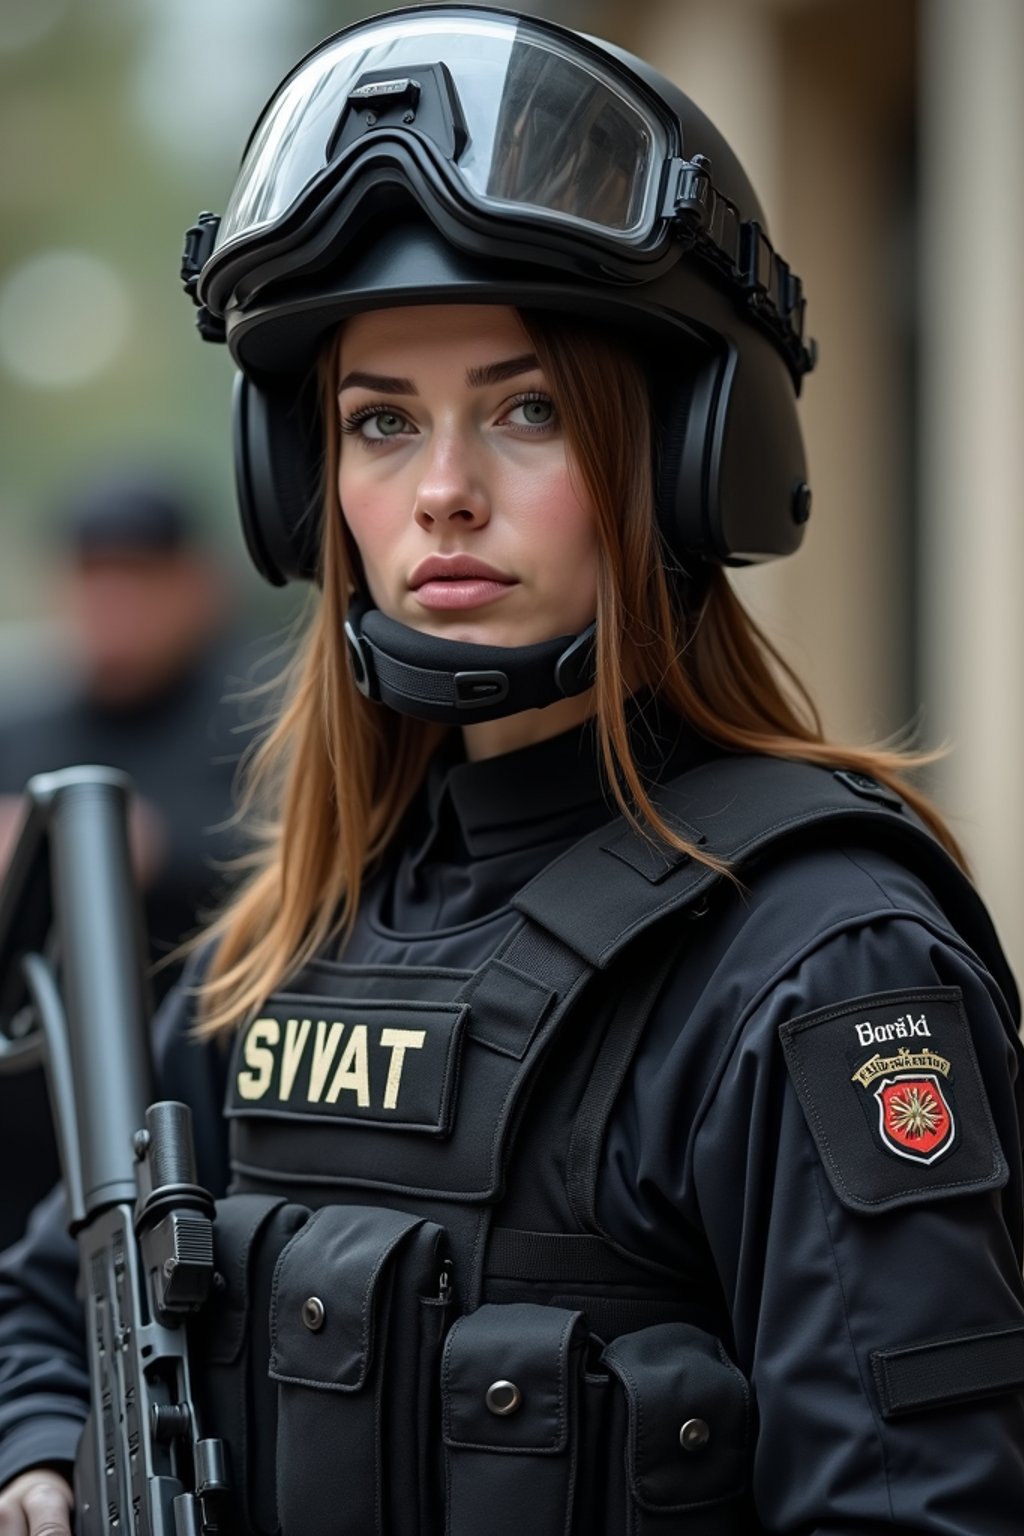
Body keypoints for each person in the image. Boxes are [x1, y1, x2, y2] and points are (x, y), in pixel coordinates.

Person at [1, 7, 1022, 1533]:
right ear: (304, 487)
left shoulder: (822, 964)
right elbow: (44, 1295)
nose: (444, 495)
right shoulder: (300, 934)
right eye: (379, 424)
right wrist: (46, 1452)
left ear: (686, 455)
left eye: (526, 410)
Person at [0, 474, 250, 1249]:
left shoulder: (254, 711)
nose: (111, 607)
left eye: (135, 579)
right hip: (27, 1139)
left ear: (194, 585)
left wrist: (131, 844)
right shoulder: (29, 723)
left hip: (189, 1132)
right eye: (91, 577)